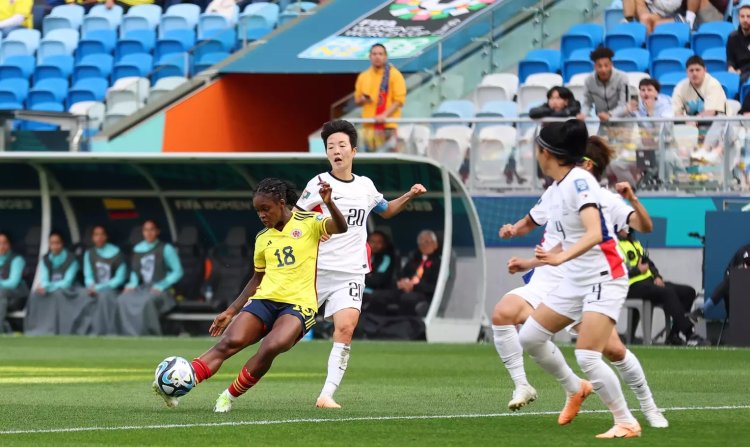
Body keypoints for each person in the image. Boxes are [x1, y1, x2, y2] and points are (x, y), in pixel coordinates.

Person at [494, 135, 667, 429]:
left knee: (609, 351)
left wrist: (632, 199)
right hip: (570, 281)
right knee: (528, 334)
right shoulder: (558, 193)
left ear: (584, 165)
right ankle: (574, 388)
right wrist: (533, 262)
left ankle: (648, 409)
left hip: (601, 279)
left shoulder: (603, 198)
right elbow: (562, 244)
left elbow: (642, 226)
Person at [152, 177, 348, 413]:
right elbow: (257, 279)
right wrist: (231, 311)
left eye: (266, 209)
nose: (262, 215)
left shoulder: (310, 222)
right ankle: (176, 384)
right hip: (264, 301)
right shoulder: (262, 238)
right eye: (258, 211)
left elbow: (341, 227)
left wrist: (329, 203)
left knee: (273, 345)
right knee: (228, 343)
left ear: (282, 203)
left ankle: (228, 395)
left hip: (299, 304)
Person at [295, 119, 426, 409]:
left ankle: (326, 394)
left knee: (346, 327)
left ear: (353, 151)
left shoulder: (366, 186)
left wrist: (409, 195)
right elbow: (295, 217)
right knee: (287, 332)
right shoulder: (318, 184)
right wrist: (319, 225)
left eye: (341, 145)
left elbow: (387, 210)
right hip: (317, 270)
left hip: (351, 272)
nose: (336, 151)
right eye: (331, 147)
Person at [618, 231, 710, 346]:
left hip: (649, 283)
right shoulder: (614, 246)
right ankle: (689, 334)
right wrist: (637, 271)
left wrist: (657, 277)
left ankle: (673, 336)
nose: (628, 228)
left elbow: (649, 264)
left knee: (688, 292)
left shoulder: (635, 243)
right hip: (631, 287)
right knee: (667, 292)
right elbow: (615, 273)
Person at [116, 219, 183, 336]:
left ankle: (148, 333)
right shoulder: (138, 249)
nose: (149, 233)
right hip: (142, 288)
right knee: (122, 299)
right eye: (146, 230)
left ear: (157, 231)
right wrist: (131, 285)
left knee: (147, 301)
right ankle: (127, 333)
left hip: (161, 289)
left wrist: (161, 285)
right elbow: (135, 271)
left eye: (152, 230)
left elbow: (178, 271)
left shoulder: (166, 248)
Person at [24, 231, 81, 336]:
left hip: (69, 291)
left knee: (58, 294)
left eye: (57, 243)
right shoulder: (45, 259)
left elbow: (67, 282)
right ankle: (37, 329)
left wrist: (49, 287)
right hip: (50, 289)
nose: (55, 246)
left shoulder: (71, 259)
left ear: (62, 243)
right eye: (52, 243)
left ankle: (61, 329)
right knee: (35, 295)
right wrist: (45, 287)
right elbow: (44, 279)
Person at [354, 43, 407, 152]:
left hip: (388, 126)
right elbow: (357, 100)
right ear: (370, 57)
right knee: (370, 162)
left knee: (388, 162)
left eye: (380, 54)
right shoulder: (363, 76)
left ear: (385, 56)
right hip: (368, 126)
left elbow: (399, 100)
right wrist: (363, 99)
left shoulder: (394, 75)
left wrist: (384, 115)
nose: (377, 57)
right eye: (374, 54)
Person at [83, 225, 127, 335]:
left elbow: (119, 278)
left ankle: (104, 331)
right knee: (80, 296)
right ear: (92, 237)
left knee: (104, 296)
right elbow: (88, 275)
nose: (99, 237)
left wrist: (98, 288)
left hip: (112, 290)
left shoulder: (116, 253)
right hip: (93, 289)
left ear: (106, 236)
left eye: (102, 234)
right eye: (96, 235)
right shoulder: (89, 253)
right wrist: (91, 286)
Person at [695, 242, 750, 316]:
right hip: (739, 292)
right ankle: (703, 309)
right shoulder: (745, 251)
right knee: (730, 280)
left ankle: (703, 309)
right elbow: (735, 272)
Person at [577, 47, 630, 123]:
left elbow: (625, 105)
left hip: (623, 122)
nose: (603, 69)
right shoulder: (588, 80)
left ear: (611, 64)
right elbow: (587, 103)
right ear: (594, 66)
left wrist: (609, 115)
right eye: (599, 66)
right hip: (602, 123)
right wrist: (583, 114)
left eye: (606, 65)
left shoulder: (623, 78)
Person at [0, 231, 28, 333]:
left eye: (4, 243)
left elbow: (13, 283)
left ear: (9, 244)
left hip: (17, 296)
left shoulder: (17, 259)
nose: (1, 246)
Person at [727, 4, 750, 84]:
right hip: (736, 72)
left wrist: (741, 70)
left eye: (748, 16)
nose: (745, 20)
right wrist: (730, 68)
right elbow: (730, 58)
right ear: (738, 18)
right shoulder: (732, 37)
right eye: (742, 16)